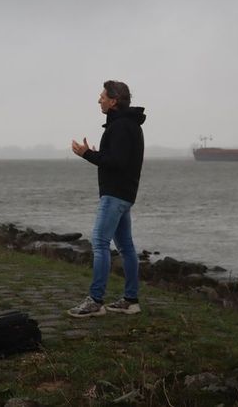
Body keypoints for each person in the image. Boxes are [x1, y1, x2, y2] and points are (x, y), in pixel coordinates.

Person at [68, 80, 146, 317]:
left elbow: (117, 163)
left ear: (114, 100)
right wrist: (95, 154)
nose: (99, 100)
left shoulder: (121, 126)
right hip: (124, 195)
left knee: (100, 243)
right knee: (126, 247)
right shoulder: (127, 125)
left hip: (115, 195)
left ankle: (95, 301)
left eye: (102, 96)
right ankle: (131, 300)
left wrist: (87, 154)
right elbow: (117, 159)